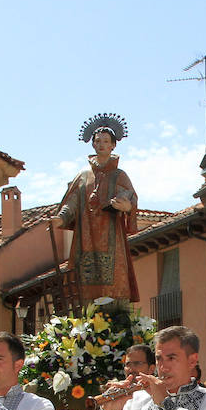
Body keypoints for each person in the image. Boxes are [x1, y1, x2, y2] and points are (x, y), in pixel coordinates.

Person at [46, 114, 139, 306]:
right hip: (86, 237)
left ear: (113, 145)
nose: (101, 144)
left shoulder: (120, 175)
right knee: (85, 283)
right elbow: (72, 201)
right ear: (93, 144)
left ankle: (116, 313)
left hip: (111, 238)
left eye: (106, 141)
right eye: (98, 141)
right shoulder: (83, 176)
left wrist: (126, 206)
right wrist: (61, 218)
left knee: (114, 281)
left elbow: (129, 197)